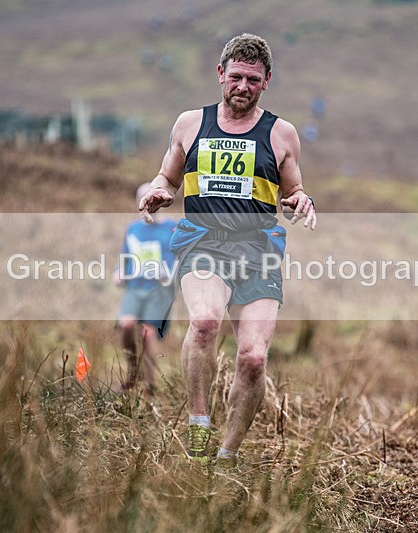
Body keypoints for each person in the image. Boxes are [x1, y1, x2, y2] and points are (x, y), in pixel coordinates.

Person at [137, 33, 316, 467]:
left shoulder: (282, 133)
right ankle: (199, 424)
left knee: (254, 357)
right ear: (220, 75)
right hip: (204, 242)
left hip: (258, 249)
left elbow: (294, 193)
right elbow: (167, 177)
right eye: (235, 76)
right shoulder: (190, 124)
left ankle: (226, 454)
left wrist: (300, 202)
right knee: (203, 322)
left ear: (267, 81)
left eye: (253, 79)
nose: (242, 86)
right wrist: (159, 193)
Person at [113, 183, 177, 398]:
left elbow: (182, 258)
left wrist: (170, 274)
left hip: (159, 289)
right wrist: (118, 272)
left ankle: (150, 387)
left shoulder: (172, 228)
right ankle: (132, 374)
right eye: (141, 198)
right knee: (126, 325)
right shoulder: (133, 229)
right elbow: (125, 258)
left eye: (149, 197)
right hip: (134, 286)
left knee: (148, 334)